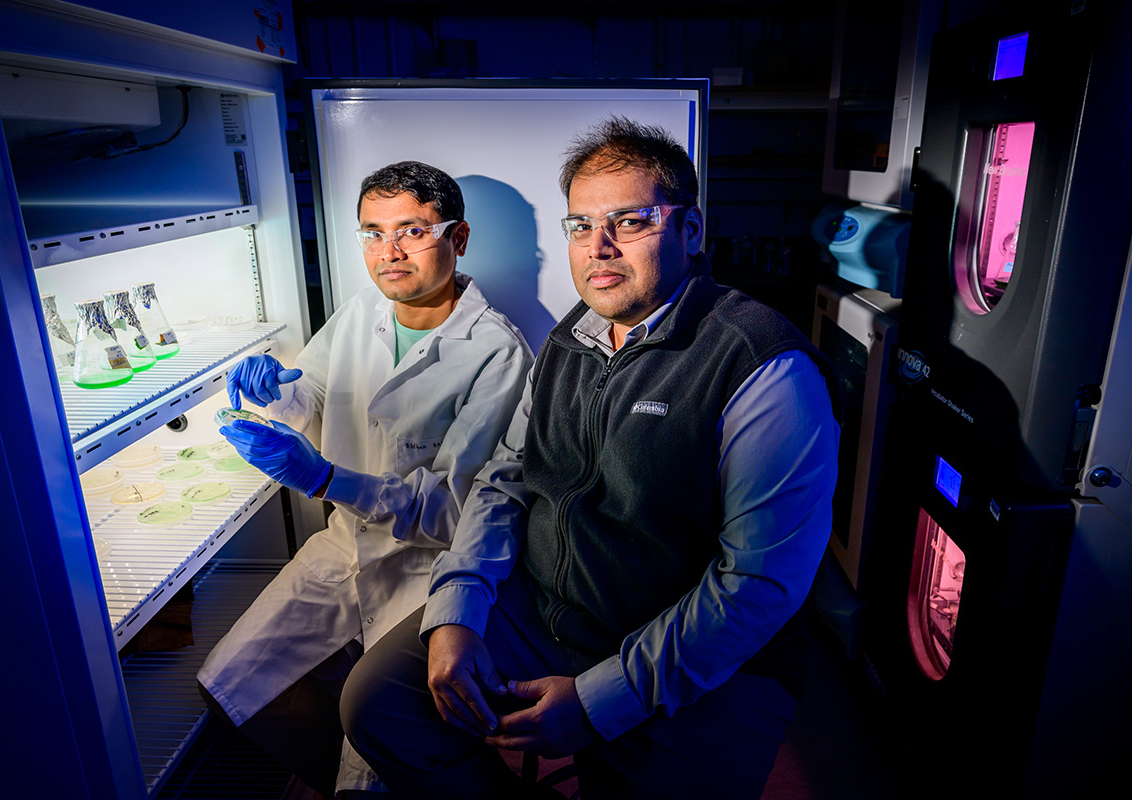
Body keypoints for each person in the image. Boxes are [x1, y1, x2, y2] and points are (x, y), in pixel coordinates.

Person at [339, 117, 840, 800]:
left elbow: (757, 587)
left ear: (690, 231)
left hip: (704, 654)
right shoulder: (569, 339)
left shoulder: (760, 365)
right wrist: (457, 604)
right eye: (580, 226)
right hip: (551, 610)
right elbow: (507, 479)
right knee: (378, 704)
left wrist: (599, 700)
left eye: (630, 222)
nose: (598, 248)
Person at [197, 161, 534, 797]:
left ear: (457, 239)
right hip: (344, 544)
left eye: (412, 230)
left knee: (374, 752)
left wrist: (325, 478)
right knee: (231, 683)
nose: (389, 252)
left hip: (426, 570)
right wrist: (279, 393)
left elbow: (459, 514)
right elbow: (317, 393)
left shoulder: (498, 352)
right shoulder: (362, 314)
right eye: (373, 233)